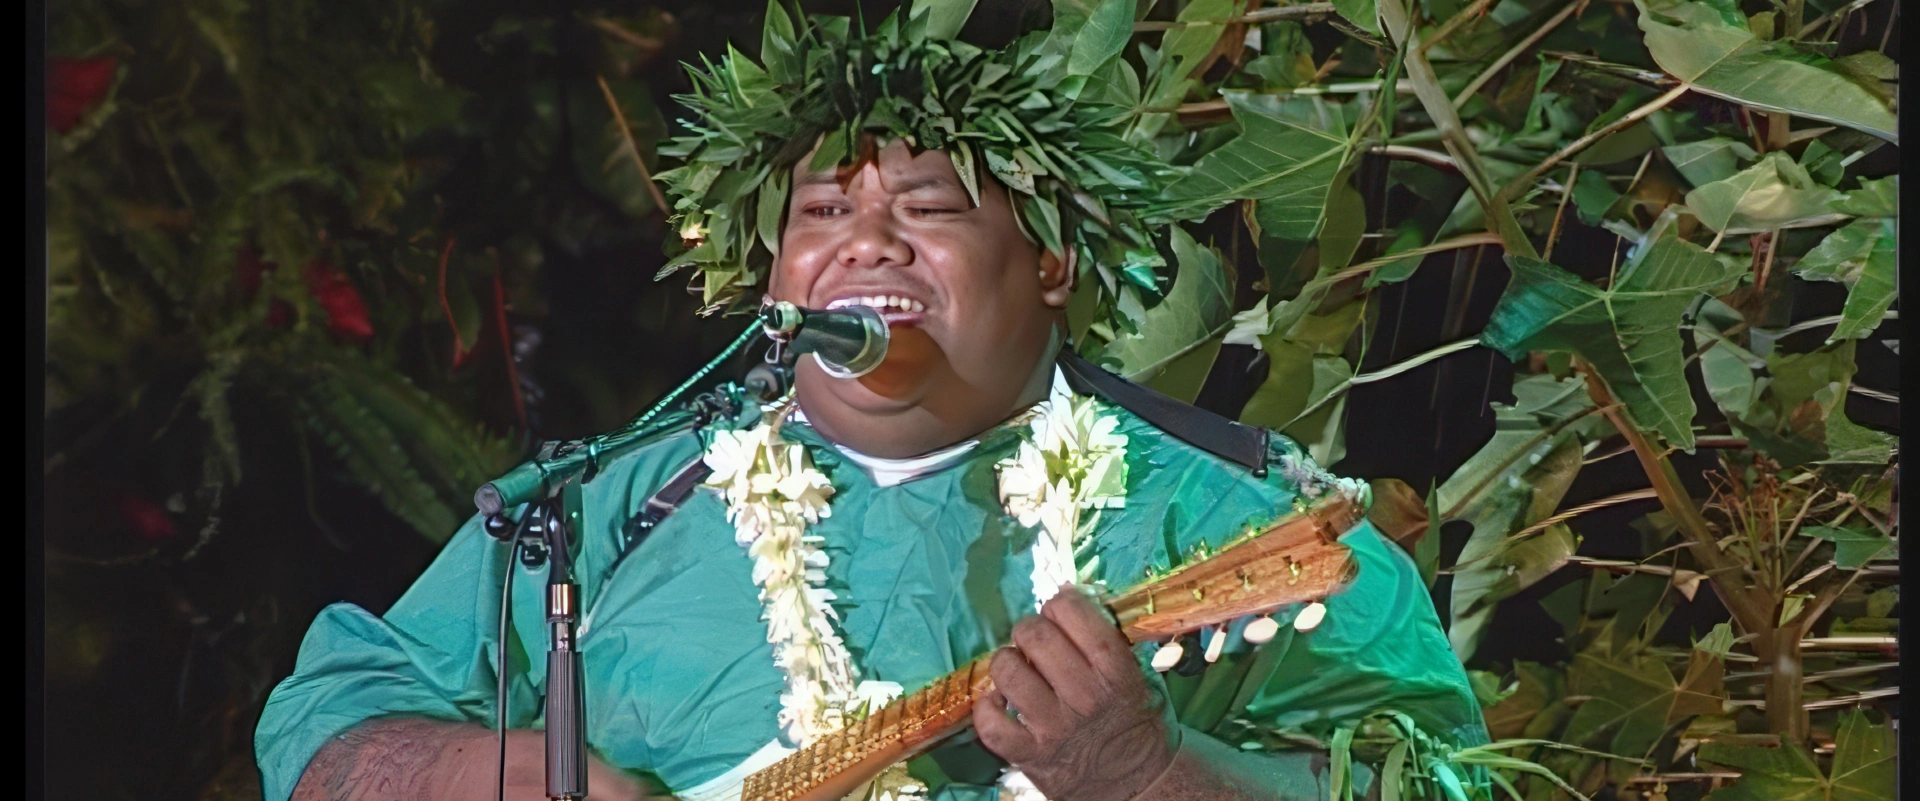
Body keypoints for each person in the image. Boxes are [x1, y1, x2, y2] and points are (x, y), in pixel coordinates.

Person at [255, 4, 1485, 800]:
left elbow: (1447, 784)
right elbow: (326, 729)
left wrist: (1149, 774)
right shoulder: (617, 504)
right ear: (774, 283)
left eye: (929, 208)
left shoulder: (1239, 523)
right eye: (824, 214)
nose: (867, 245)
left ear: (1052, 265)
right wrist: (504, 773)